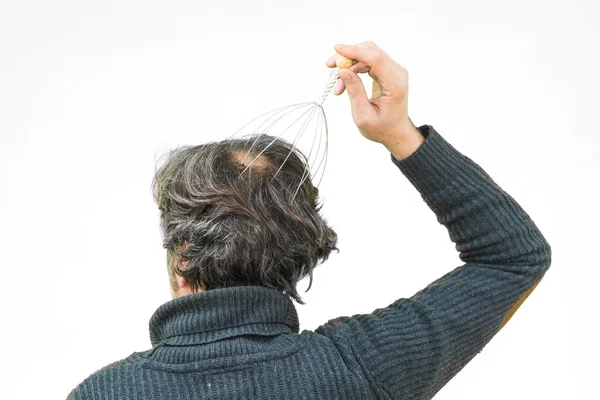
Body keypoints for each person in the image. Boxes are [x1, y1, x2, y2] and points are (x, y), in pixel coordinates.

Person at [67, 41, 551, 399]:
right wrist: (400, 133)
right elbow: (512, 256)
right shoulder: (361, 367)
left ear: (181, 256)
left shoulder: (103, 394)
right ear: (299, 251)